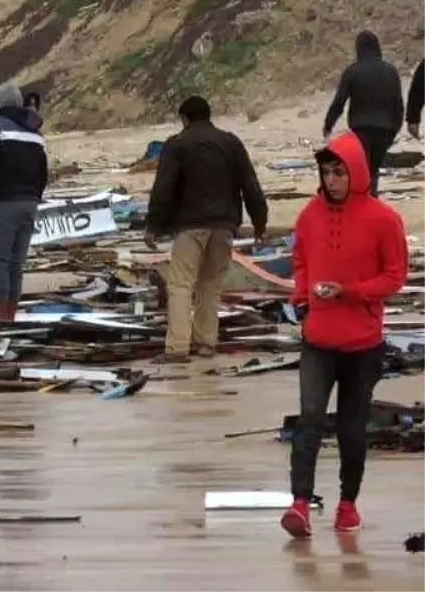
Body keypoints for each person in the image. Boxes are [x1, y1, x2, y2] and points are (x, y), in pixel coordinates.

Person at [280, 130, 407, 539]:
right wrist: (301, 299)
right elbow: (299, 258)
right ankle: (299, 504)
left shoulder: (384, 219)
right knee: (311, 417)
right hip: (317, 338)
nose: (331, 180)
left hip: (362, 344)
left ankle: (347, 505)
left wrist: (351, 291)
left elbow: (395, 276)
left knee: (352, 429)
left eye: (338, 172)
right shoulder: (309, 215)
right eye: (325, 172)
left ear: (355, 173)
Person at [145, 96, 268, 363]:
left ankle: (177, 348)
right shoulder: (231, 142)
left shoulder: (177, 144)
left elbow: (163, 189)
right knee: (210, 285)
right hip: (224, 225)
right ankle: (205, 344)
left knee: (179, 285)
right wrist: (260, 222)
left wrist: (153, 226)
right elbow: (250, 183)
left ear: (184, 118)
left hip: (190, 226)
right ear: (209, 115)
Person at [0, 85, 47, 322]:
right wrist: (35, 198)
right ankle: (12, 314)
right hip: (29, 204)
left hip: (3, 203)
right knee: (16, 264)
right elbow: (43, 174)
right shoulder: (36, 133)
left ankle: (1, 317)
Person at [323, 30, 403, 196]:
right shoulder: (391, 71)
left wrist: (328, 125)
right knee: (373, 171)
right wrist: (395, 129)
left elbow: (339, 102)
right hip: (385, 130)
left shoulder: (353, 71)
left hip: (361, 131)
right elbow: (398, 105)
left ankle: (366, 204)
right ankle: (372, 202)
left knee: (362, 172)